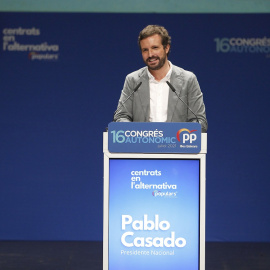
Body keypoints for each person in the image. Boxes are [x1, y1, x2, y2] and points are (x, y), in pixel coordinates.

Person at [114, 25, 208, 132]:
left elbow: (200, 121)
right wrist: (138, 132)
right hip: (142, 146)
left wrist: (175, 135)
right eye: (145, 50)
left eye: (155, 48)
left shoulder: (188, 80)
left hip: (177, 146)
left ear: (166, 48)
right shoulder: (133, 80)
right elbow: (121, 117)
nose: (150, 54)